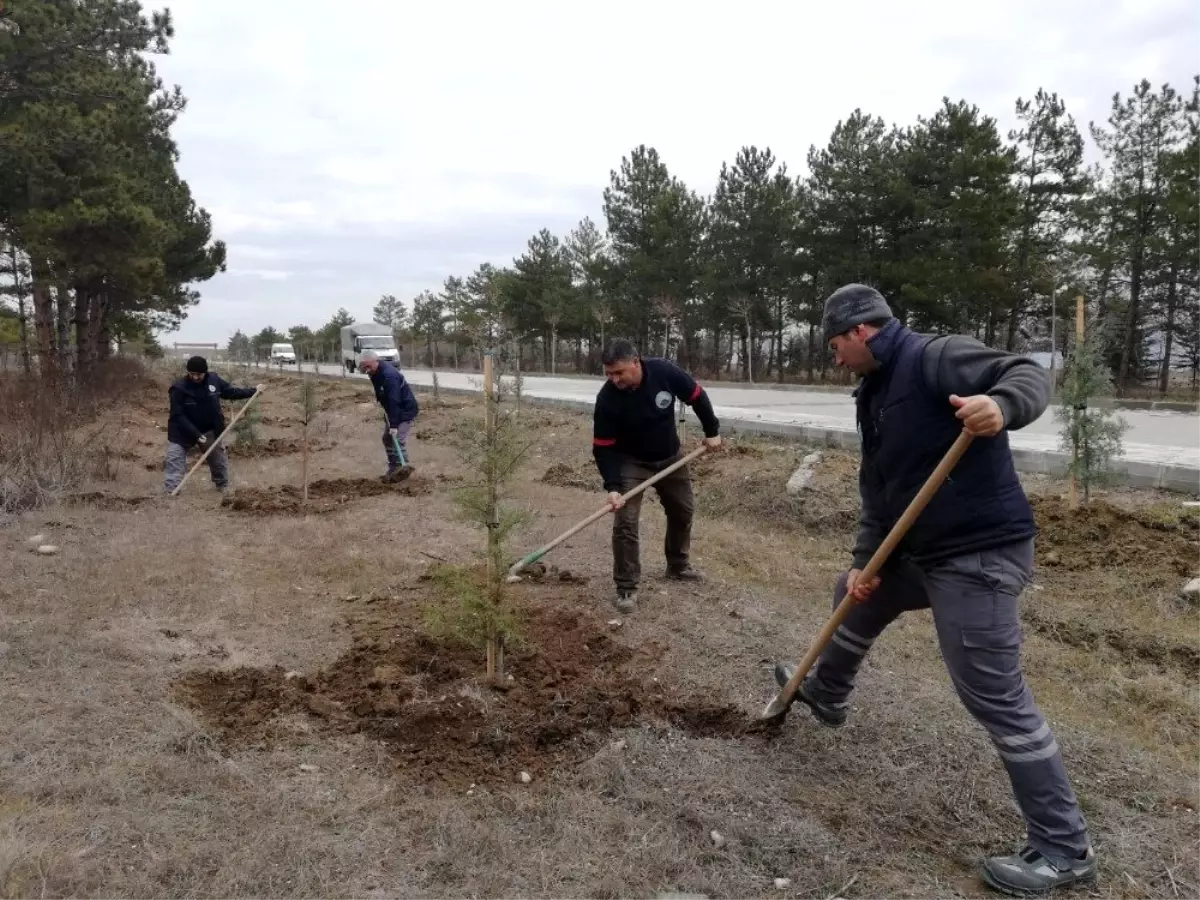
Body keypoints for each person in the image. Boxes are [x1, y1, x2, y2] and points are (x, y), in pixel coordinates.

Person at [773, 284, 1096, 896]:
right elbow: (881, 490)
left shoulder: (935, 356)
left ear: (860, 331)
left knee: (993, 695)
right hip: (919, 549)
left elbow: (1023, 373)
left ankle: (1063, 849)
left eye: (835, 343)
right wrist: (865, 565)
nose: (833, 355)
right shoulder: (873, 393)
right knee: (852, 595)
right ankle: (828, 690)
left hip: (976, 555)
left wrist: (1001, 406)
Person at [592, 339, 722, 614]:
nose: (614, 380)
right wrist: (614, 487)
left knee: (682, 510)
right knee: (625, 522)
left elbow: (697, 396)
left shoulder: (663, 372)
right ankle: (626, 586)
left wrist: (712, 431)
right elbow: (603, 448)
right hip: (632, 463)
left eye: (619, 373)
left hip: (671, 458)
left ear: (636, 363)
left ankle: (678, 565)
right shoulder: (607, 399)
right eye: (609, 374)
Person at [164, 356, 261, 494]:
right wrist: (196, 434)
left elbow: (230, 392)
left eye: (199, 374)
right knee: (174, 457)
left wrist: (253, 391)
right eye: (192, 374)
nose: (196, 377)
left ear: (205, 372)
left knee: (217, 457)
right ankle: (171, 489)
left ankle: (222, 485)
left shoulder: (214, 380)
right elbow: (177, 415)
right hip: (182, 431)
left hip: (208, 428)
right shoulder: (178, 389)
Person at [359, 350, 419, 480]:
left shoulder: (389, 376)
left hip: (404, 410)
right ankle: (394, 469)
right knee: (387, 439)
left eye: (368, 366)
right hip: (392, 410)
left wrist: (394, 424)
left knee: (397, 439)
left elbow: (394, 401)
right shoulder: (375, 372)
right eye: (364, 367)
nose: (367, 370)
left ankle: (403, 471)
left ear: (376, 361)